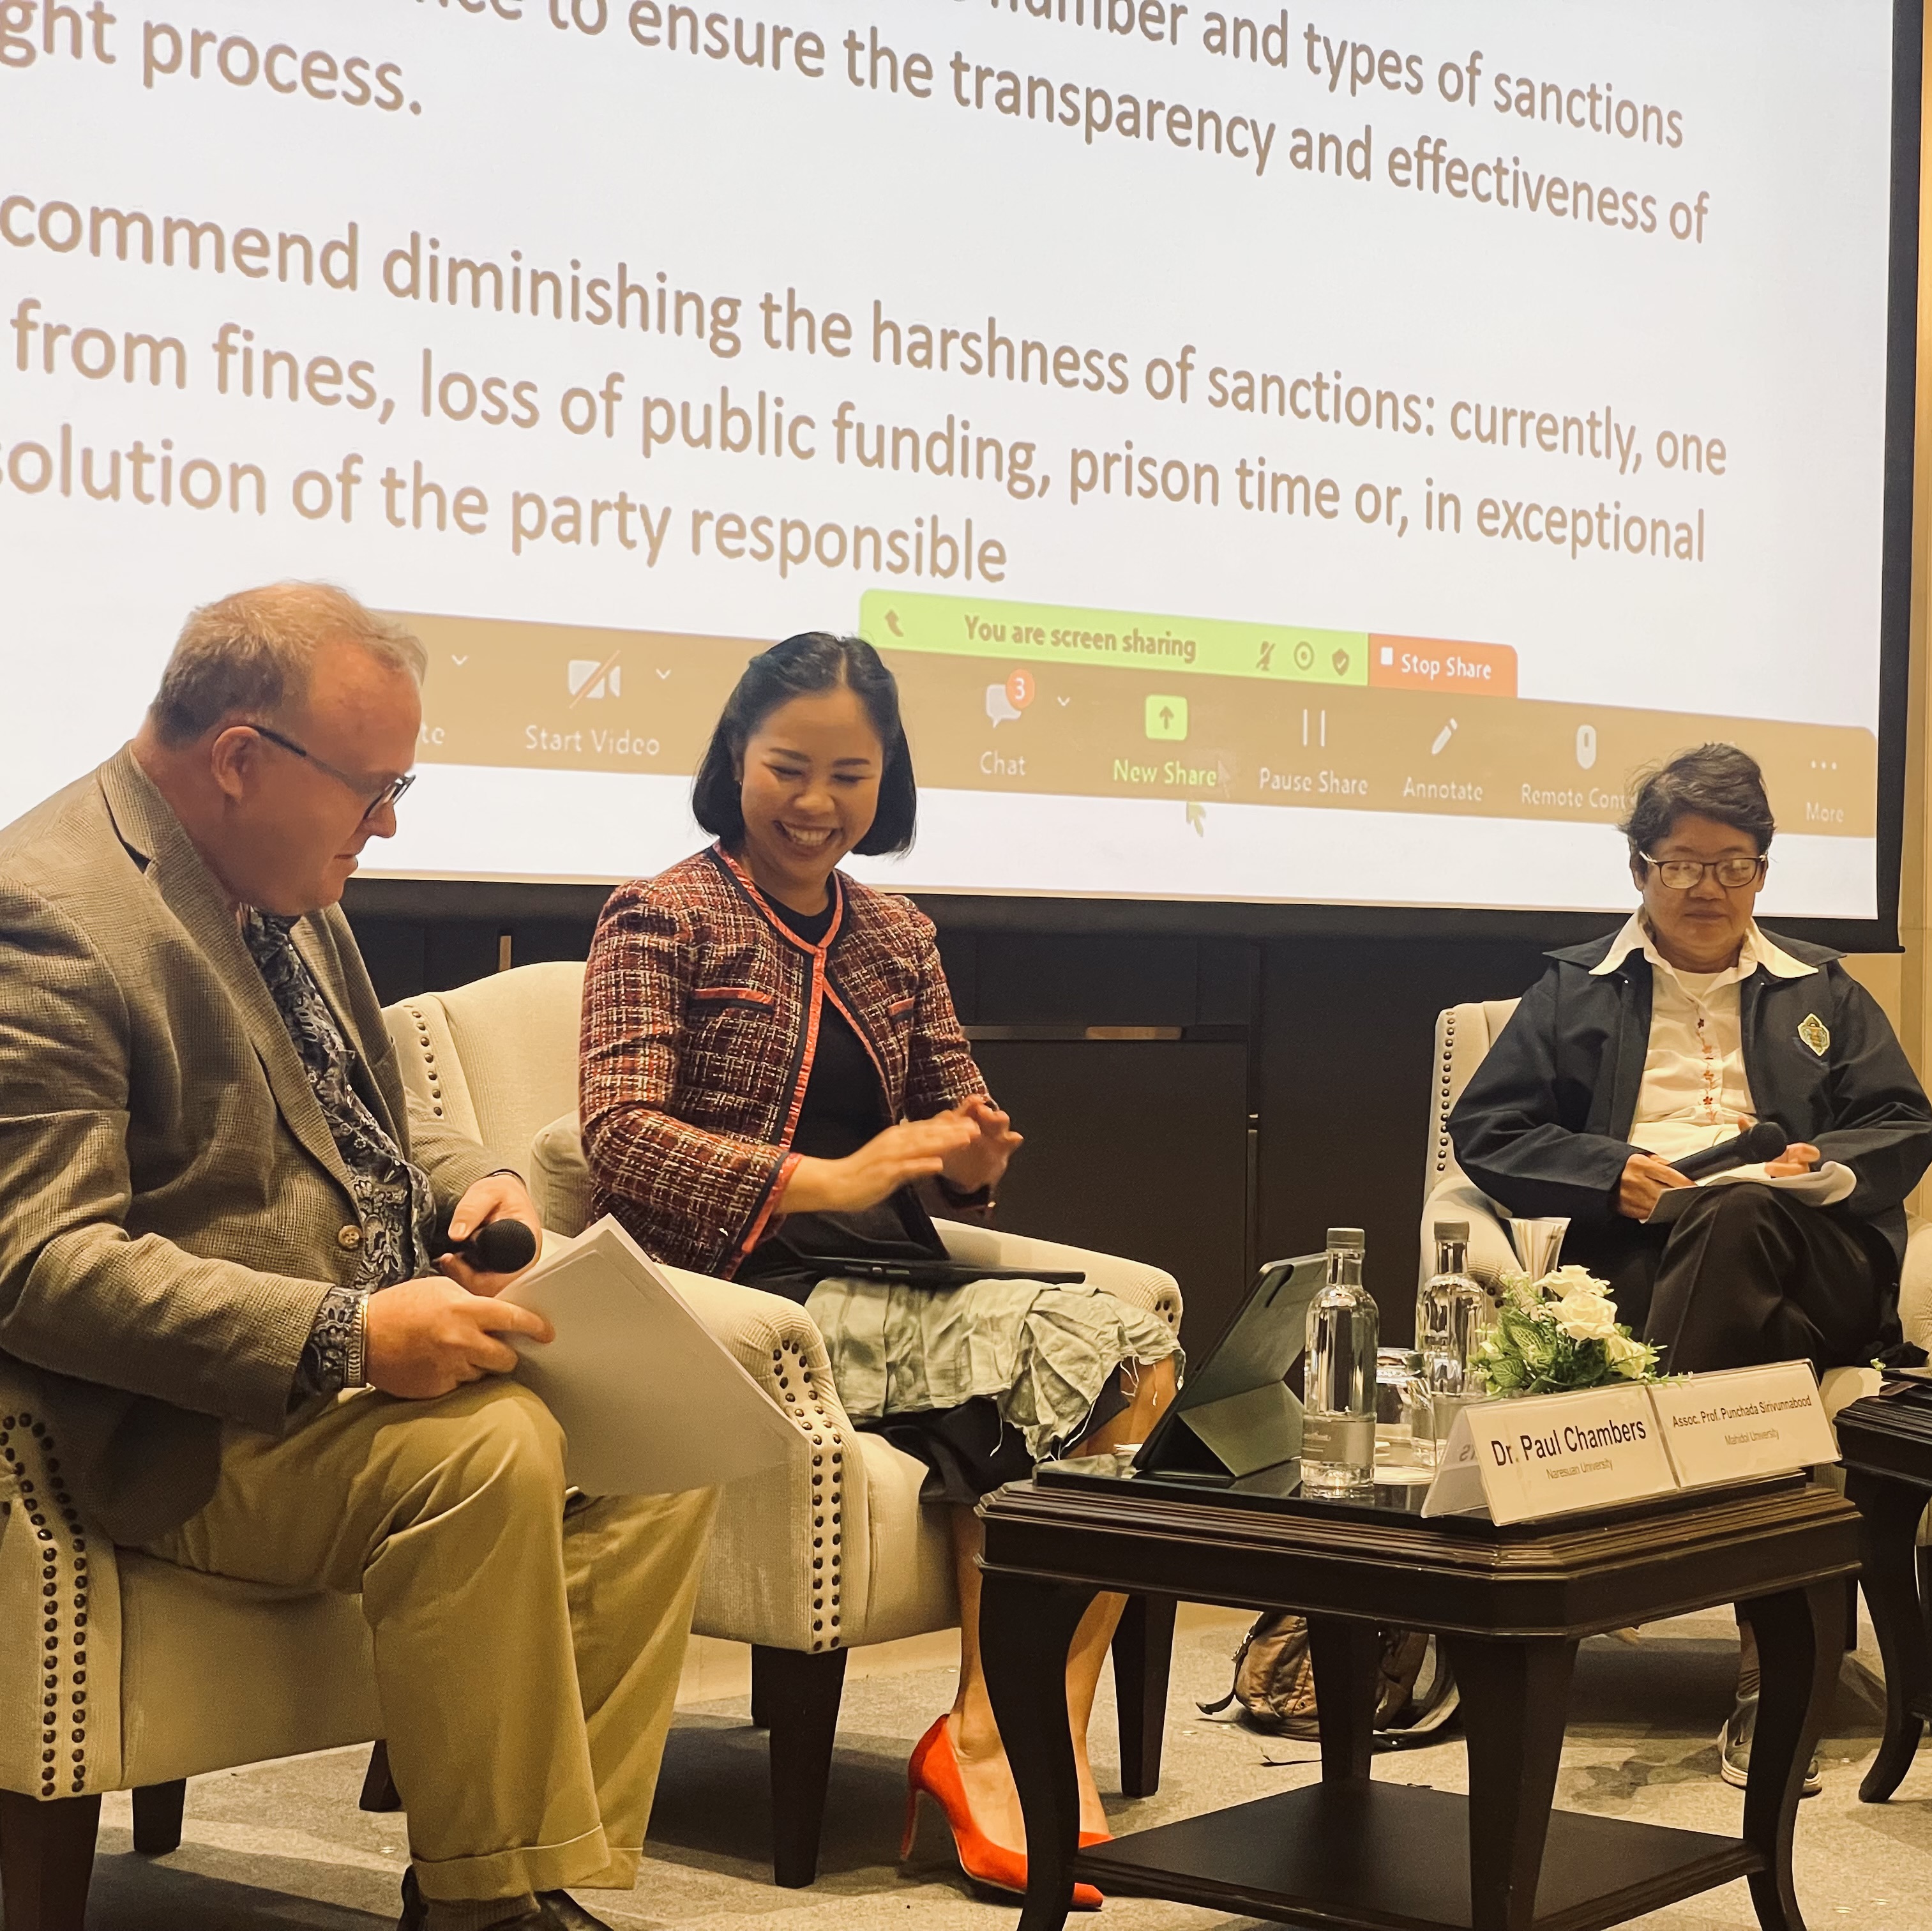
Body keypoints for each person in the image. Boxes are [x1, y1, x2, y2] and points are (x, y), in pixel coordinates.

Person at [0, 584, 716, 1931]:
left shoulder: (290, 881)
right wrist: (348, 1334)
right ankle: (485, 1913)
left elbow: (367, 1137)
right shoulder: (47, 913)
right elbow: (38, 1265)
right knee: (491, 1451)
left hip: (368, 1366)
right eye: (375, 787)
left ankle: (534, 1875)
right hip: (194, 1423)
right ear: (240, 760)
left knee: (659, 1429)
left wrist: (471, 1189)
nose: (389, 823)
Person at [578, 632, 1178, 1906]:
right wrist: (832, 1180)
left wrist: (970, 1162)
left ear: (886, 778)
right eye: (789, 767)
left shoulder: (895, 932)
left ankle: (1012, 1731)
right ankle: (994, 1749)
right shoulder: (662, 915)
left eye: (849, 774)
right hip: (747, 1293)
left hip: (896, 1288)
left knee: (1141, 1354)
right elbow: (620, 1140)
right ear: (735, 756)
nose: (815, 803)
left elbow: (956, 1119)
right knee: (1099, 1354)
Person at [1447, 741, 1932, 1785]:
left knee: (1743, 1213)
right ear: (1639, 869)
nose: (1707, 887)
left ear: (1763, 869)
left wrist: (1823, 1163)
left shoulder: (1824, 989)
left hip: (1816, 1257)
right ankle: (1772, 1679)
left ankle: (1632, 1526)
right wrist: (1608, 1171)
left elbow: (1903, 1125)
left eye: (1733, 864)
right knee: (1751, 1339)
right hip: (1644, 1264)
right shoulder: (1577, 988)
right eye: (1682, 863)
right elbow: (1485, 1131)